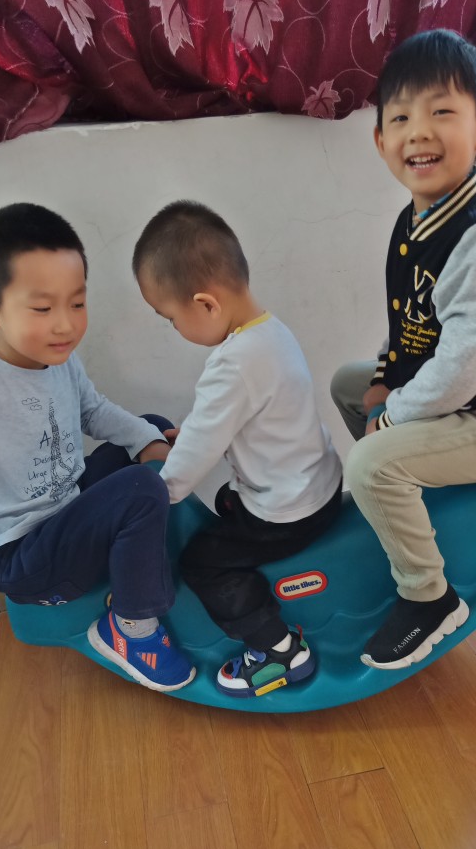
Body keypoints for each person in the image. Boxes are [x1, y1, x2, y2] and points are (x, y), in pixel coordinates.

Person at [0, 203, 195, 693]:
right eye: (43, 309)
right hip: (22, 556)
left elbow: (94, 411)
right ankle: (132, 629)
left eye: (77, 303)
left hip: (65, 509)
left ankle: (148, 555)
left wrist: (148, 440)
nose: (65, 325)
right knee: (140, 486)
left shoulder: (60, 361)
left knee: (149, 429)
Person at [331, 29, 476, 670]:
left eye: (441, 112)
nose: (419, 133)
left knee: (370, 462)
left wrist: (391, 421)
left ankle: (428, 597)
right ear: (380, 141)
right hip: (461, 397)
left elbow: (461, 369)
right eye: (401, 118)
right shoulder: (416, 221)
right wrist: (384, 379)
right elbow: (408, 319)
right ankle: (401, 502)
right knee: (349, 383)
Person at [132, 200, 343, 697]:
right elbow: (235, 418)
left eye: (170, 318)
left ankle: (279, 650)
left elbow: (201, 447)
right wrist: (191, 435)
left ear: (206, 304)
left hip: (286, 511)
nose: (175, 329)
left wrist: (158, 494)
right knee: (228, 500)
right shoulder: (270, 331)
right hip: (320, 484)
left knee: (205, 562)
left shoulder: (232, 363)